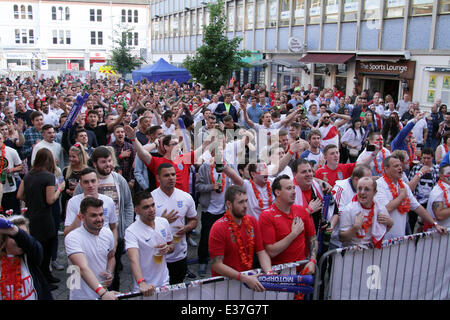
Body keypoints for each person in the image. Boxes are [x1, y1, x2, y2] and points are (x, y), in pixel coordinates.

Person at [73, 146, 134, 291]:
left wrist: (125, 229)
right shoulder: (87, 182)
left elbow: (128, 205)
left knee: (113, 272)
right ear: (94, 164)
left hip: (114, 234)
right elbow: (75, 208)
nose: (108, 165)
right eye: (103, 162)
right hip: (89, 236)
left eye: (109, 161)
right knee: (89, 269)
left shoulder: (119, 180)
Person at [16, 148, 65, 290]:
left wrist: (32, 199)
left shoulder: (28, 175)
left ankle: (47, 276)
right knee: (46, 251)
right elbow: (50, 200)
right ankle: (44, 281)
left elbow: (19, 195)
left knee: (40, 250)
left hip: (31, 217)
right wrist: (60, 189)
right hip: (45, 218)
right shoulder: (48, 177)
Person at [208, 185, 273, 291]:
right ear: (229, 204)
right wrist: (243, 278)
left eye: (246, 201)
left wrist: (269, 272)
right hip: (225, 285)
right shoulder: (218, 227)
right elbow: (217, 264)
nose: (246, 205)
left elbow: (261, 252)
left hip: (248, 280)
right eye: (241, 202)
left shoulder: (252, 221)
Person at [374, 156, 447, 239]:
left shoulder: (403, 186)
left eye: (400, 165)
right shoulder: (378, 185)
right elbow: (386, 209)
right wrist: (401, 197)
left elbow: (417, 207)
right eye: (396, 166)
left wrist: (435, 224)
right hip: (383, 240)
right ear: (386, 169)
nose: (400, 168)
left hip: (400, 238)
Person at [258, 175, 317, 272]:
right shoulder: (266, 216)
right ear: (277, 192)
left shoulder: (301, 211)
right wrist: (293, 234)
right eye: (289, 188)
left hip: (302, 272)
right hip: (279, 275)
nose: (294, 192)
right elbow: (271, 251)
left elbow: (312, 237)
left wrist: (312, 261)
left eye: (294, 188)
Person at [64, 197, 119, 300]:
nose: (99, 219)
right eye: (93, 215)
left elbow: (111, 257)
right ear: (82, 217)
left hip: (103, 294)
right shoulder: (73, 237)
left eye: (101, 214)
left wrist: (109, 271)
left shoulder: (107, 233)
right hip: (81, 296)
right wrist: (102, 293)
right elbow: (82, 268)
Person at [151, 163, 198, 284]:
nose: (171, 178)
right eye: (166, 175)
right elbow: (141, 227)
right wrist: (161, 221)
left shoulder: (186, 197)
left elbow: (194, 220)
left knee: (177, 287)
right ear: (158, 178)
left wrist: (186, 228)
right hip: (157, 255)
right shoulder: (150, 199)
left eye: (173, 174)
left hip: (179, 254)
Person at [125, 191, 174, 296]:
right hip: (144, 288)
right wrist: (141, 283)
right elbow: (133, 259)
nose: (151, 209)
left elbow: (172, 245)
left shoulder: (163, 222)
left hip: (164, 282)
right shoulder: (131, 231)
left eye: (153, 205)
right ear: (136, 210)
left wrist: (168, 248)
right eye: (146, 207)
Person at [0, 215, 53, 300]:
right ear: (4, 239)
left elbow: (33, 246)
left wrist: (15, 231)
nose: (20, 240)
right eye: (14, 237)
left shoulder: (30, 257)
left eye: (24, 235)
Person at [195, 158, 231, 276]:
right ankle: (203, 261)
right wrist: (211, 186)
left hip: (224, 209)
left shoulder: (227, 166)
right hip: (209, 208)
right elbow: (198, 186)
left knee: (223, 237)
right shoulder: (204, 167)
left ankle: (221, 261)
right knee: (206, 236)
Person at [64, 167, 118, 242]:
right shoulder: (73, 202)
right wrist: (81, 213)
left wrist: (113, 247)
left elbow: (114, 228)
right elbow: (67, 233)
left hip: (104, 242)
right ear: (81, 184)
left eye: (93, 181)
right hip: (82, 243)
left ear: (98, 181)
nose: (90, 185)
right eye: (86, 182)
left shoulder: (108, 201)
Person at [339, 177, 393, 247]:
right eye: (359, 188)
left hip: (373, 253)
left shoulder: (380, 208)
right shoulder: (348, 210)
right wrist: (355, 227)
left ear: (375, 192)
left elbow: (382, 231)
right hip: (353, 254)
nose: (362, 192)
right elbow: (342, 238)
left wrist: (390, 224)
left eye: (367, 189)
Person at [407, 148, 439, 231]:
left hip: (429, 200)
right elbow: (410, 183)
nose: (426, 160)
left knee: (427, 223)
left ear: (432, 158)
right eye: (424, 158)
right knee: (411, 222)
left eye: (428, 158)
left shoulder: (437, 170)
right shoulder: (416, 168)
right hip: (416, 199)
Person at [61, 144, 89, 222]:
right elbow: (63, 186)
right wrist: (66, 190)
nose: (71, 159)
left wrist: (79, 187)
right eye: (70, 156)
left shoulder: (87, 171)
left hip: (82, 203)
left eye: (74, 157)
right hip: (68, 202)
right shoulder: (66, 170)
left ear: (80, 157)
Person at [0, 132, 22, 215]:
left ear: (3, 139)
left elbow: (20, 166)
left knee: (12, 214)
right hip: (0, 190)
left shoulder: (11, 151)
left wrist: (11, 169)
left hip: (10, 188)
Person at [426, 164, 450, 229]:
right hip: (440, 234)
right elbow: (439, 215)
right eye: (449, 173)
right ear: (441, 176)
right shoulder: (438, 192)